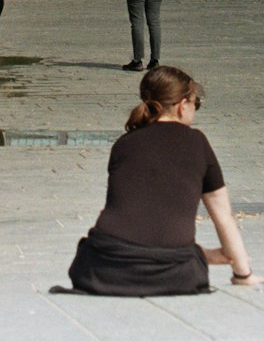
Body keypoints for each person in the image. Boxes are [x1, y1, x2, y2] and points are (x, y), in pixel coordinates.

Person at [64, 66, 259, 295]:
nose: (194, 110)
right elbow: (223, 217)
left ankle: (202, 254)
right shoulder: (197, 143)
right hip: (176, 275)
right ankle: (203, 254)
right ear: (181, 105)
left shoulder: (124, 144)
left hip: (103, 269)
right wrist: (242, 273)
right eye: (195, 104)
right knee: (183, 255)